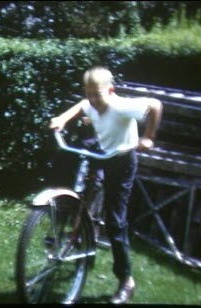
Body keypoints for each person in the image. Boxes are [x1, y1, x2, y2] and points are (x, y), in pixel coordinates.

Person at [49, 66, 163, 304]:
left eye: (97, 95)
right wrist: (62, 118)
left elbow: (155, 105)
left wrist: (149, 136)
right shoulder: (90, 101)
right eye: (89, 93)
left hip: (122, 162)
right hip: (102, 152)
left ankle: (126, 281)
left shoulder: (121, 105)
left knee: (115, 222)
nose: (92, 99)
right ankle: (80, 236)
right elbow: (82, 105)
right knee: (77, 189)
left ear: (110, 91)